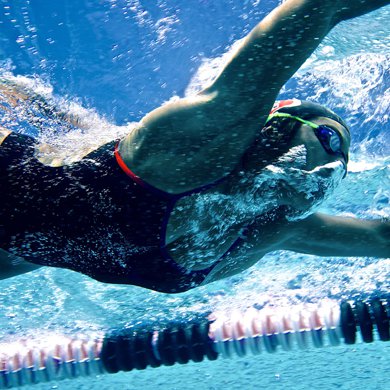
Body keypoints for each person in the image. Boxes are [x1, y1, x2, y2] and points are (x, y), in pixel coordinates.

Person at [1, 0, 389, 293]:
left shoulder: (272, 228)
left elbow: (379, 238)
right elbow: (318, 8)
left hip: (26, 244)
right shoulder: (198, 143)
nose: (337, 161)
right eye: (330, 137)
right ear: (275, 125)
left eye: (344, 156)